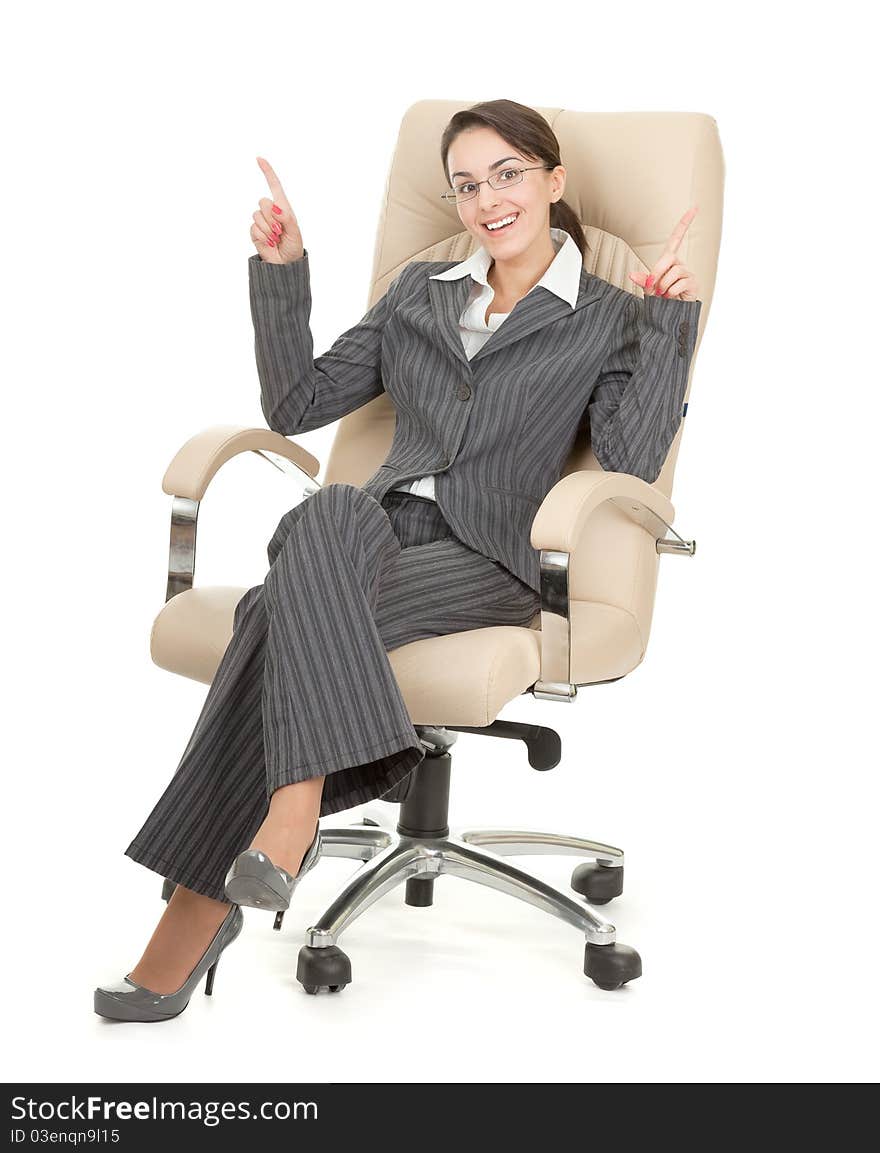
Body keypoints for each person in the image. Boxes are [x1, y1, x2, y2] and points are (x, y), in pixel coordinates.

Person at [94, 98, 701, 1021]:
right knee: (333, 506)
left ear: (552, 181)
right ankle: (287, 818)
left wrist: (667, 325)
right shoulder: (422, 294)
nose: (487, 200)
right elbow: (299, 401)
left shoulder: (612, 317)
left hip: (490, 555)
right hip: (371, 533)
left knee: (270, 612)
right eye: (466, 184)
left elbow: (625, 459)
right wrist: (283, 270)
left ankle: (209, 899)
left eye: (507, 175)